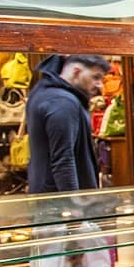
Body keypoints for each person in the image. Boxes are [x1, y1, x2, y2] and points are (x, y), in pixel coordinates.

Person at [26, 53, 107, 194]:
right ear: (76, 72)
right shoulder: (63, 102)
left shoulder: (45, 92)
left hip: (47, 196)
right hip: (57, 203)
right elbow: (63, 160)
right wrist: (72, 203)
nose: (100, 85)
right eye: (95, 77)